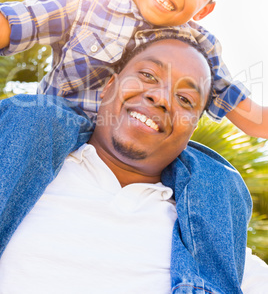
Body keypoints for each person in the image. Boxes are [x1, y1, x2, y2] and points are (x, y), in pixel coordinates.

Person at [0, 34, 253, 293]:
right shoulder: (16, 158)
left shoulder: (216, 242)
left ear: (192, 129)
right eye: (148, 75)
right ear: (109, 85)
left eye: (185, 99)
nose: (161, 97)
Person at [0, 0, 267, 138]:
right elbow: (14, 24)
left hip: (140, 151)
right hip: (58, 132)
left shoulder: (201, 49)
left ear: (204, 9)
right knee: (27, 116)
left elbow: (253, 118)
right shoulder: (85, 1)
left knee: (213, 174)